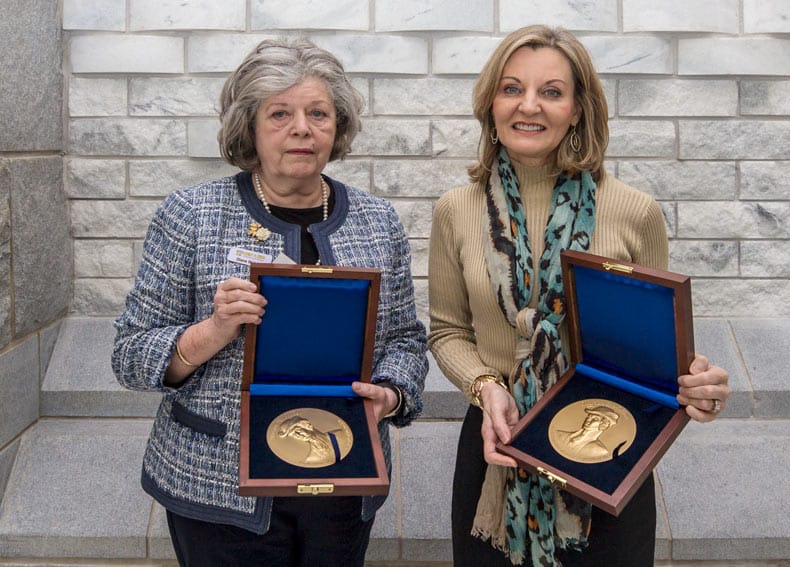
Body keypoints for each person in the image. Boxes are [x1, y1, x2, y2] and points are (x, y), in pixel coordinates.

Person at [112, 37, 428, 567]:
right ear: (250, 129)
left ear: (338, 126)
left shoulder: (378, 221)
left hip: (344, 475)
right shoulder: (191, 214)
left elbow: (404, 340)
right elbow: (129, 355)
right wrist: (210, 332)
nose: (301, 128)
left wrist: (393, 395)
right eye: (280, 113)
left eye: (318, 113)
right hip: (215, 490)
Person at [427, 25, 730, 566]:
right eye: (512, 88)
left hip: (610, 454)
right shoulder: (456, 209)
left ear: (577, 109)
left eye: (551, 92)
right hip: (496, 441)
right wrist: (486, 387)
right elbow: (449, 331)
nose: (529, 106)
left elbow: (650, 352)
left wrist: (693, 382)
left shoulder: (634, 212)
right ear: (490, 103)